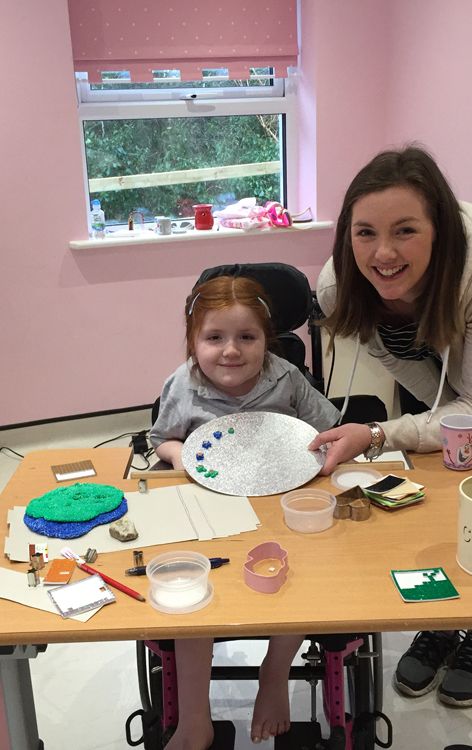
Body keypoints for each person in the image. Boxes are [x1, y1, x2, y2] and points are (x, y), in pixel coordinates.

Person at [308, 146, 472, 708]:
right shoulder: (339, 285)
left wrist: (379, 433)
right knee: (428, 480)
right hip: (433, 354)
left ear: (440, 229)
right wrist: (431, 419)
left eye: (405, 231)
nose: (382, 253)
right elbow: (426, 389)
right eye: (365, 233)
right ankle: (441, 614)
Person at [149, 274, 341, 749]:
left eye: (246, 337)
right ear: (194, 342)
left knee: (300, 576)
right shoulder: (183, 384)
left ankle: (274, 675)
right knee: (193, 593)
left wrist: (316, 454)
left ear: (266, 341)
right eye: (214, 338)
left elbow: (329, 430)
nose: (231, 351)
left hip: (281, 504)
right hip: (210, 510)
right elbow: (163, 439)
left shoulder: (286, 378)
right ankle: (195, 717)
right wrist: (182, 457)